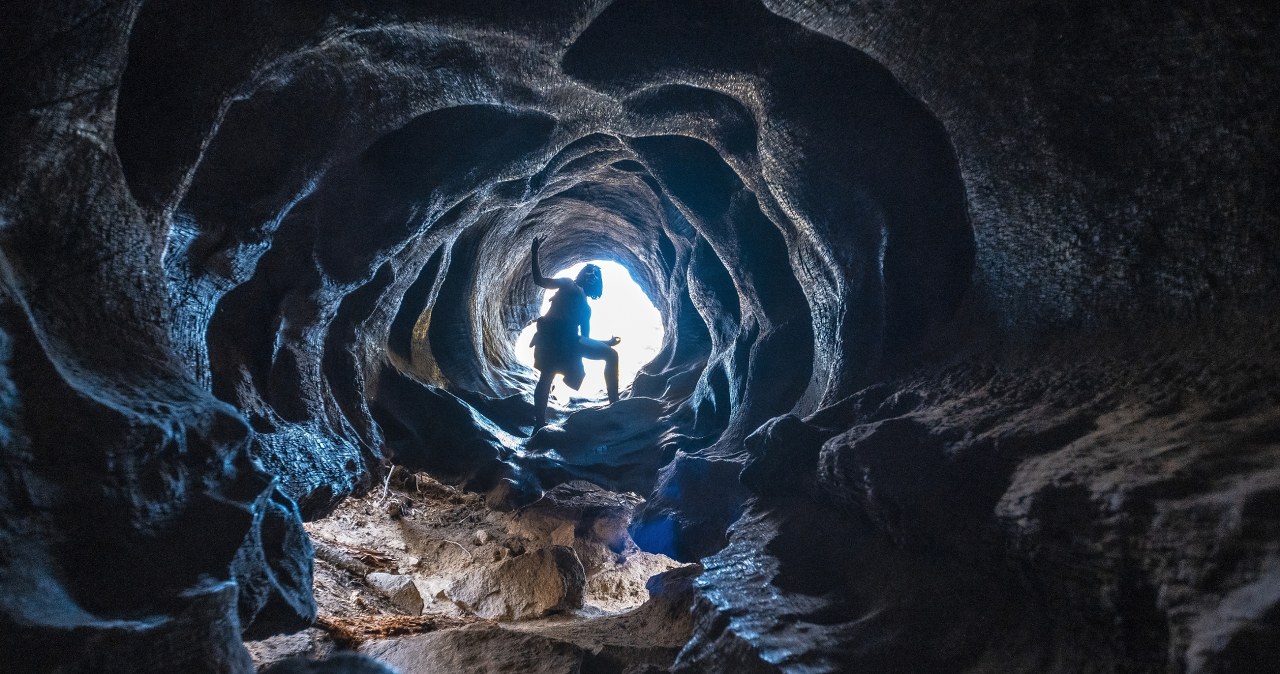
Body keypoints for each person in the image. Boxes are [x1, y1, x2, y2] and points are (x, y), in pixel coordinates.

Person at [528, 237, 620, 429]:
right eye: (589, 270)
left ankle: (615, 406)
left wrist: (607, 342)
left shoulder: (587, 309)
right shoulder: (568, 284)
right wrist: (534, 252)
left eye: (596, 273)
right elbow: (540, 280)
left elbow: (584, 339)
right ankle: (539, 423)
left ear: (598, 283)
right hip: (552, 336)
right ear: (581, 274)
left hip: (570, 340)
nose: (592, 273)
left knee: (611, 355)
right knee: (547, 375)